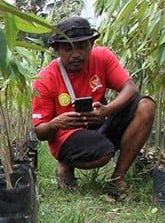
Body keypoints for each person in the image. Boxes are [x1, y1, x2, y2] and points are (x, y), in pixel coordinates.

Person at [31, 16, 156, 193]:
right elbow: (39, 131)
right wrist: (56, 123)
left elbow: (130, 88)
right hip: (67, 136)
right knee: (103, 153)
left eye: (82, 47)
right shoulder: (45, 79)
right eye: (68, 48)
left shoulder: (102, 57)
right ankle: (65, 162)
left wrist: (106, 110)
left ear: (91, 44)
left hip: (101, 123)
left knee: (146, 106)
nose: (76, 54)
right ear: (56, 49)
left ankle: (117, 177)